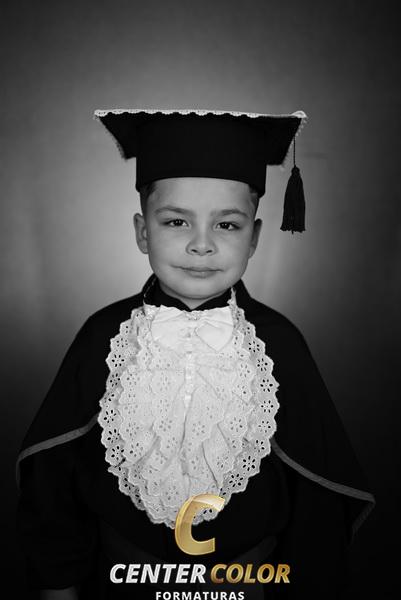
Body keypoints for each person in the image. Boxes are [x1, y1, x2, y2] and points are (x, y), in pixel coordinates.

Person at [16, 108, 375, 600]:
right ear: (143, 232)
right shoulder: (104, 337)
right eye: (176, 221)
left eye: (227, 224)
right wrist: (58, 586)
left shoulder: (279, 345)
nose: (201, 245)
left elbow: (316, 499)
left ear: (255, 237)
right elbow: (55, 480)